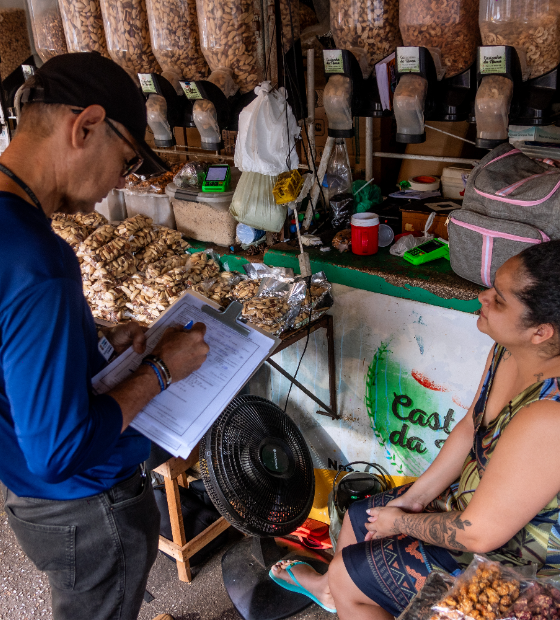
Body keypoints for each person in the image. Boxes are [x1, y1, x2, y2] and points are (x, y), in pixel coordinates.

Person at [0, 53, 209, 620]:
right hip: (84, 511)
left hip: (24, 495)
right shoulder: (38, 262)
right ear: (86, 126)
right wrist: (161, 370)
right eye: (124, 160)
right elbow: (58, 451)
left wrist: (86, 336)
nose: (122, 180)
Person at [271, 240, 560, 620]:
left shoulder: (548, 418)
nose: (483, 297)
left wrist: (403, 521)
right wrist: (416, 496)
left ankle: (342, 591)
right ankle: (332, 592)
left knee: (348, 571)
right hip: (473, 502)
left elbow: (482, 533)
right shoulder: (507, 350)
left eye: (500, 300)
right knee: (361, 518)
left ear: (540, 332)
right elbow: (471, 426)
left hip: (517, 558)